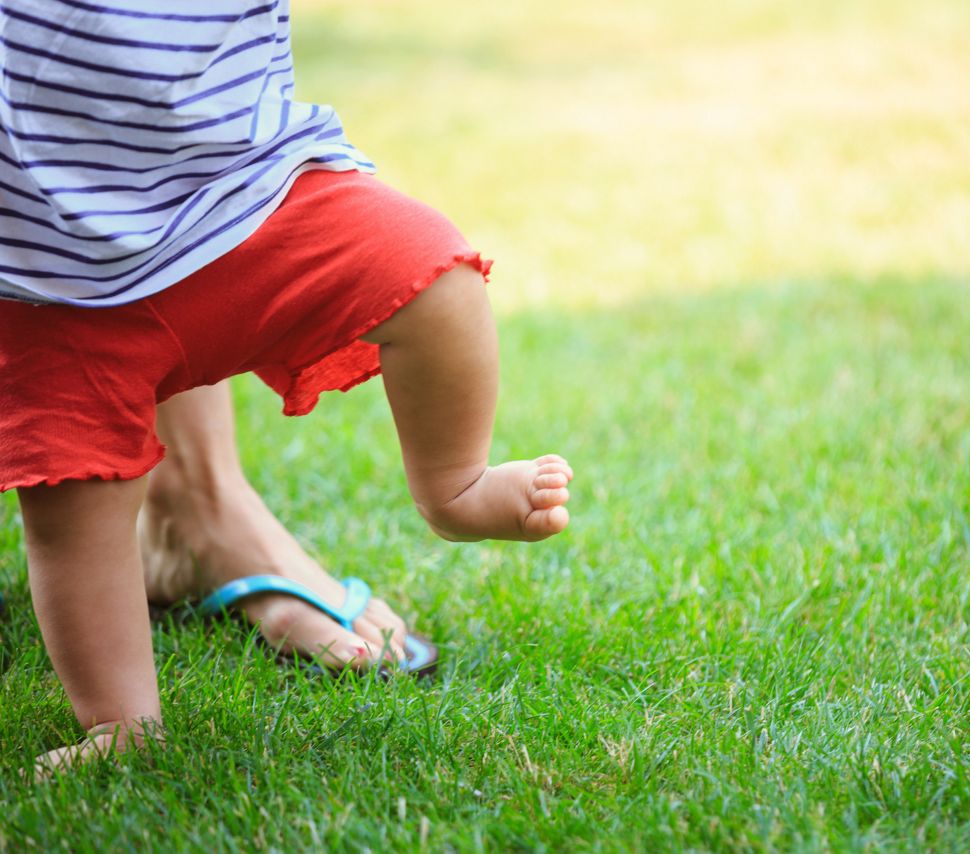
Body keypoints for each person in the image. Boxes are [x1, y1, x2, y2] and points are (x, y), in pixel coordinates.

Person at [0, 0, 573, 775]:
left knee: (432, 273)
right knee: (76, 507)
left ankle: (455, 486)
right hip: (59, 283)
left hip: (251, 199)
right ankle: (122, 722)